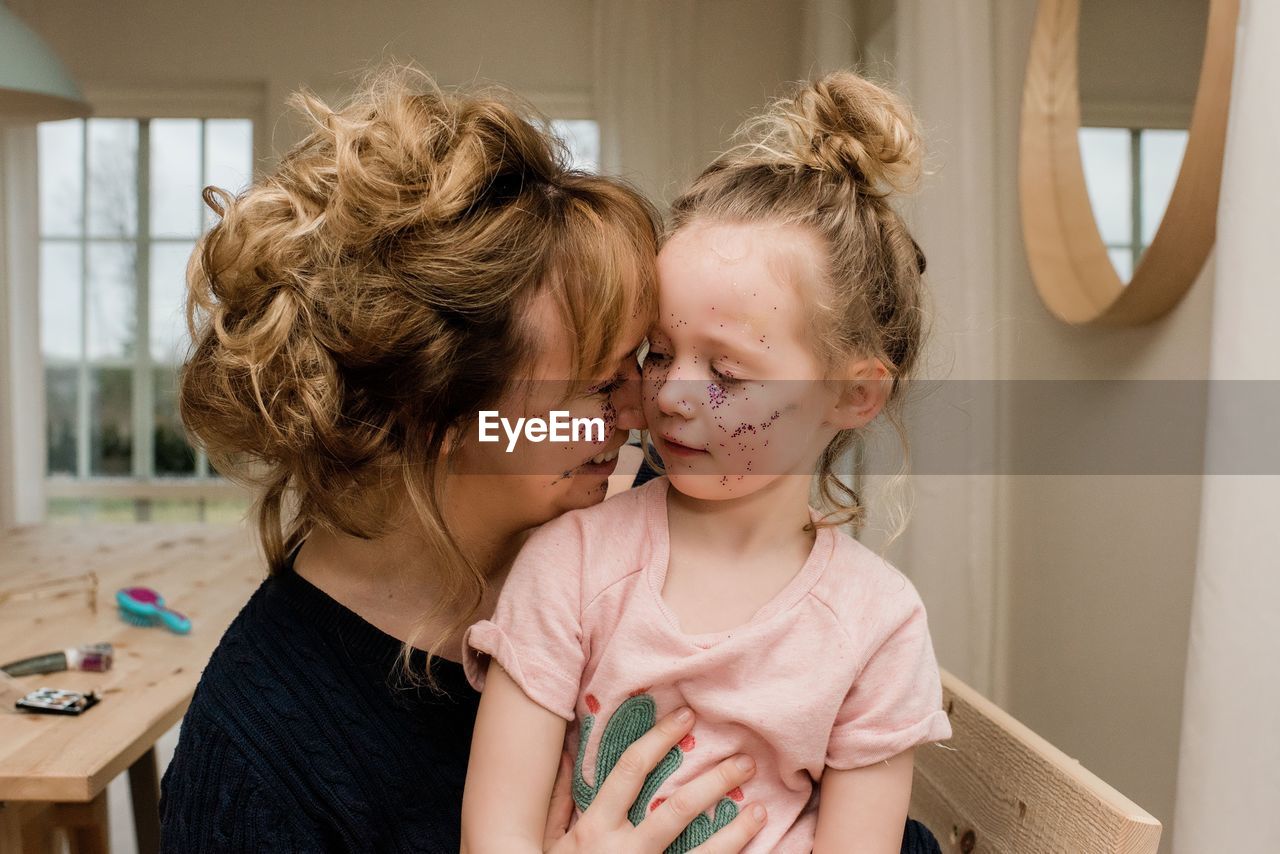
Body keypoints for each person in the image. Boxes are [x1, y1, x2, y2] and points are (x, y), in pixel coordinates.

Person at [158, 68, 768, 853]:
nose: (641, 408)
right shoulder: (255, 770)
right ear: (437, 416)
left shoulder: (638, 531)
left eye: (636, 363)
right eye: (594, 384)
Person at [461, 71, 950, 853]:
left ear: (854, 395)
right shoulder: (571, 566)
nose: (673, 395)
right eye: (660, 354)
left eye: (726, 373)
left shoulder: (876, 628)